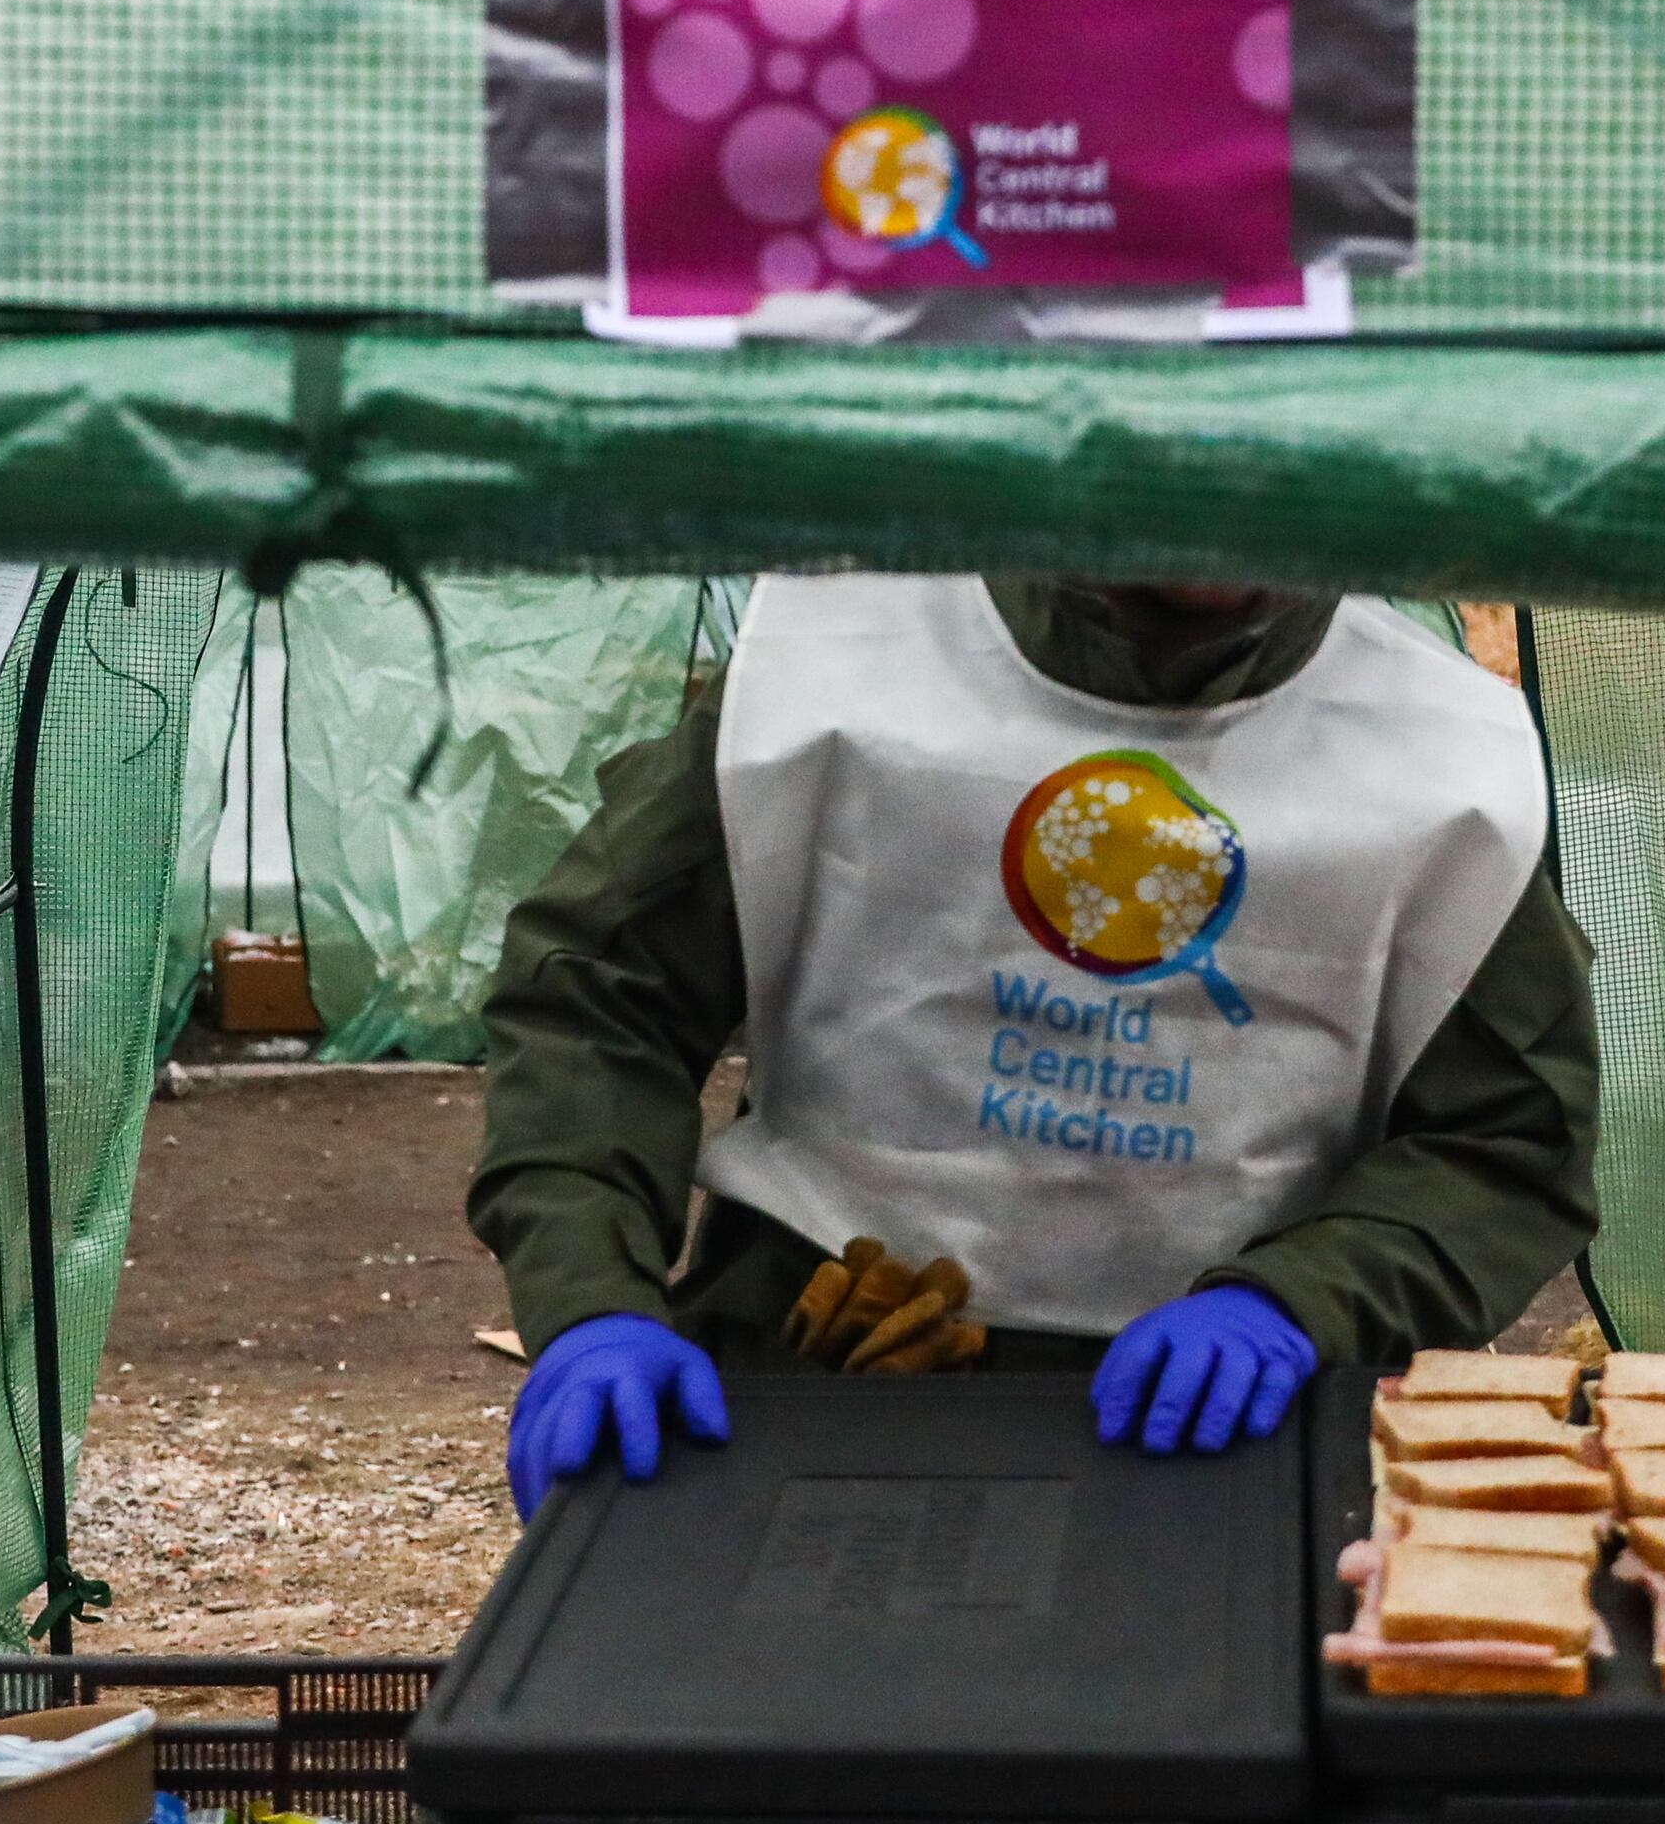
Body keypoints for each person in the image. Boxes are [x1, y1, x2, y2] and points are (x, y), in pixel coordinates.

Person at [469, 575, 1599, 1513]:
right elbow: (598, 991)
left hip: (1227, 1445)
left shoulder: (1438, 763)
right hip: (805, 1378)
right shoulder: (833, 662)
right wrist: (594, 1304)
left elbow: (1503, 1137)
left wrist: (1298, 1304)